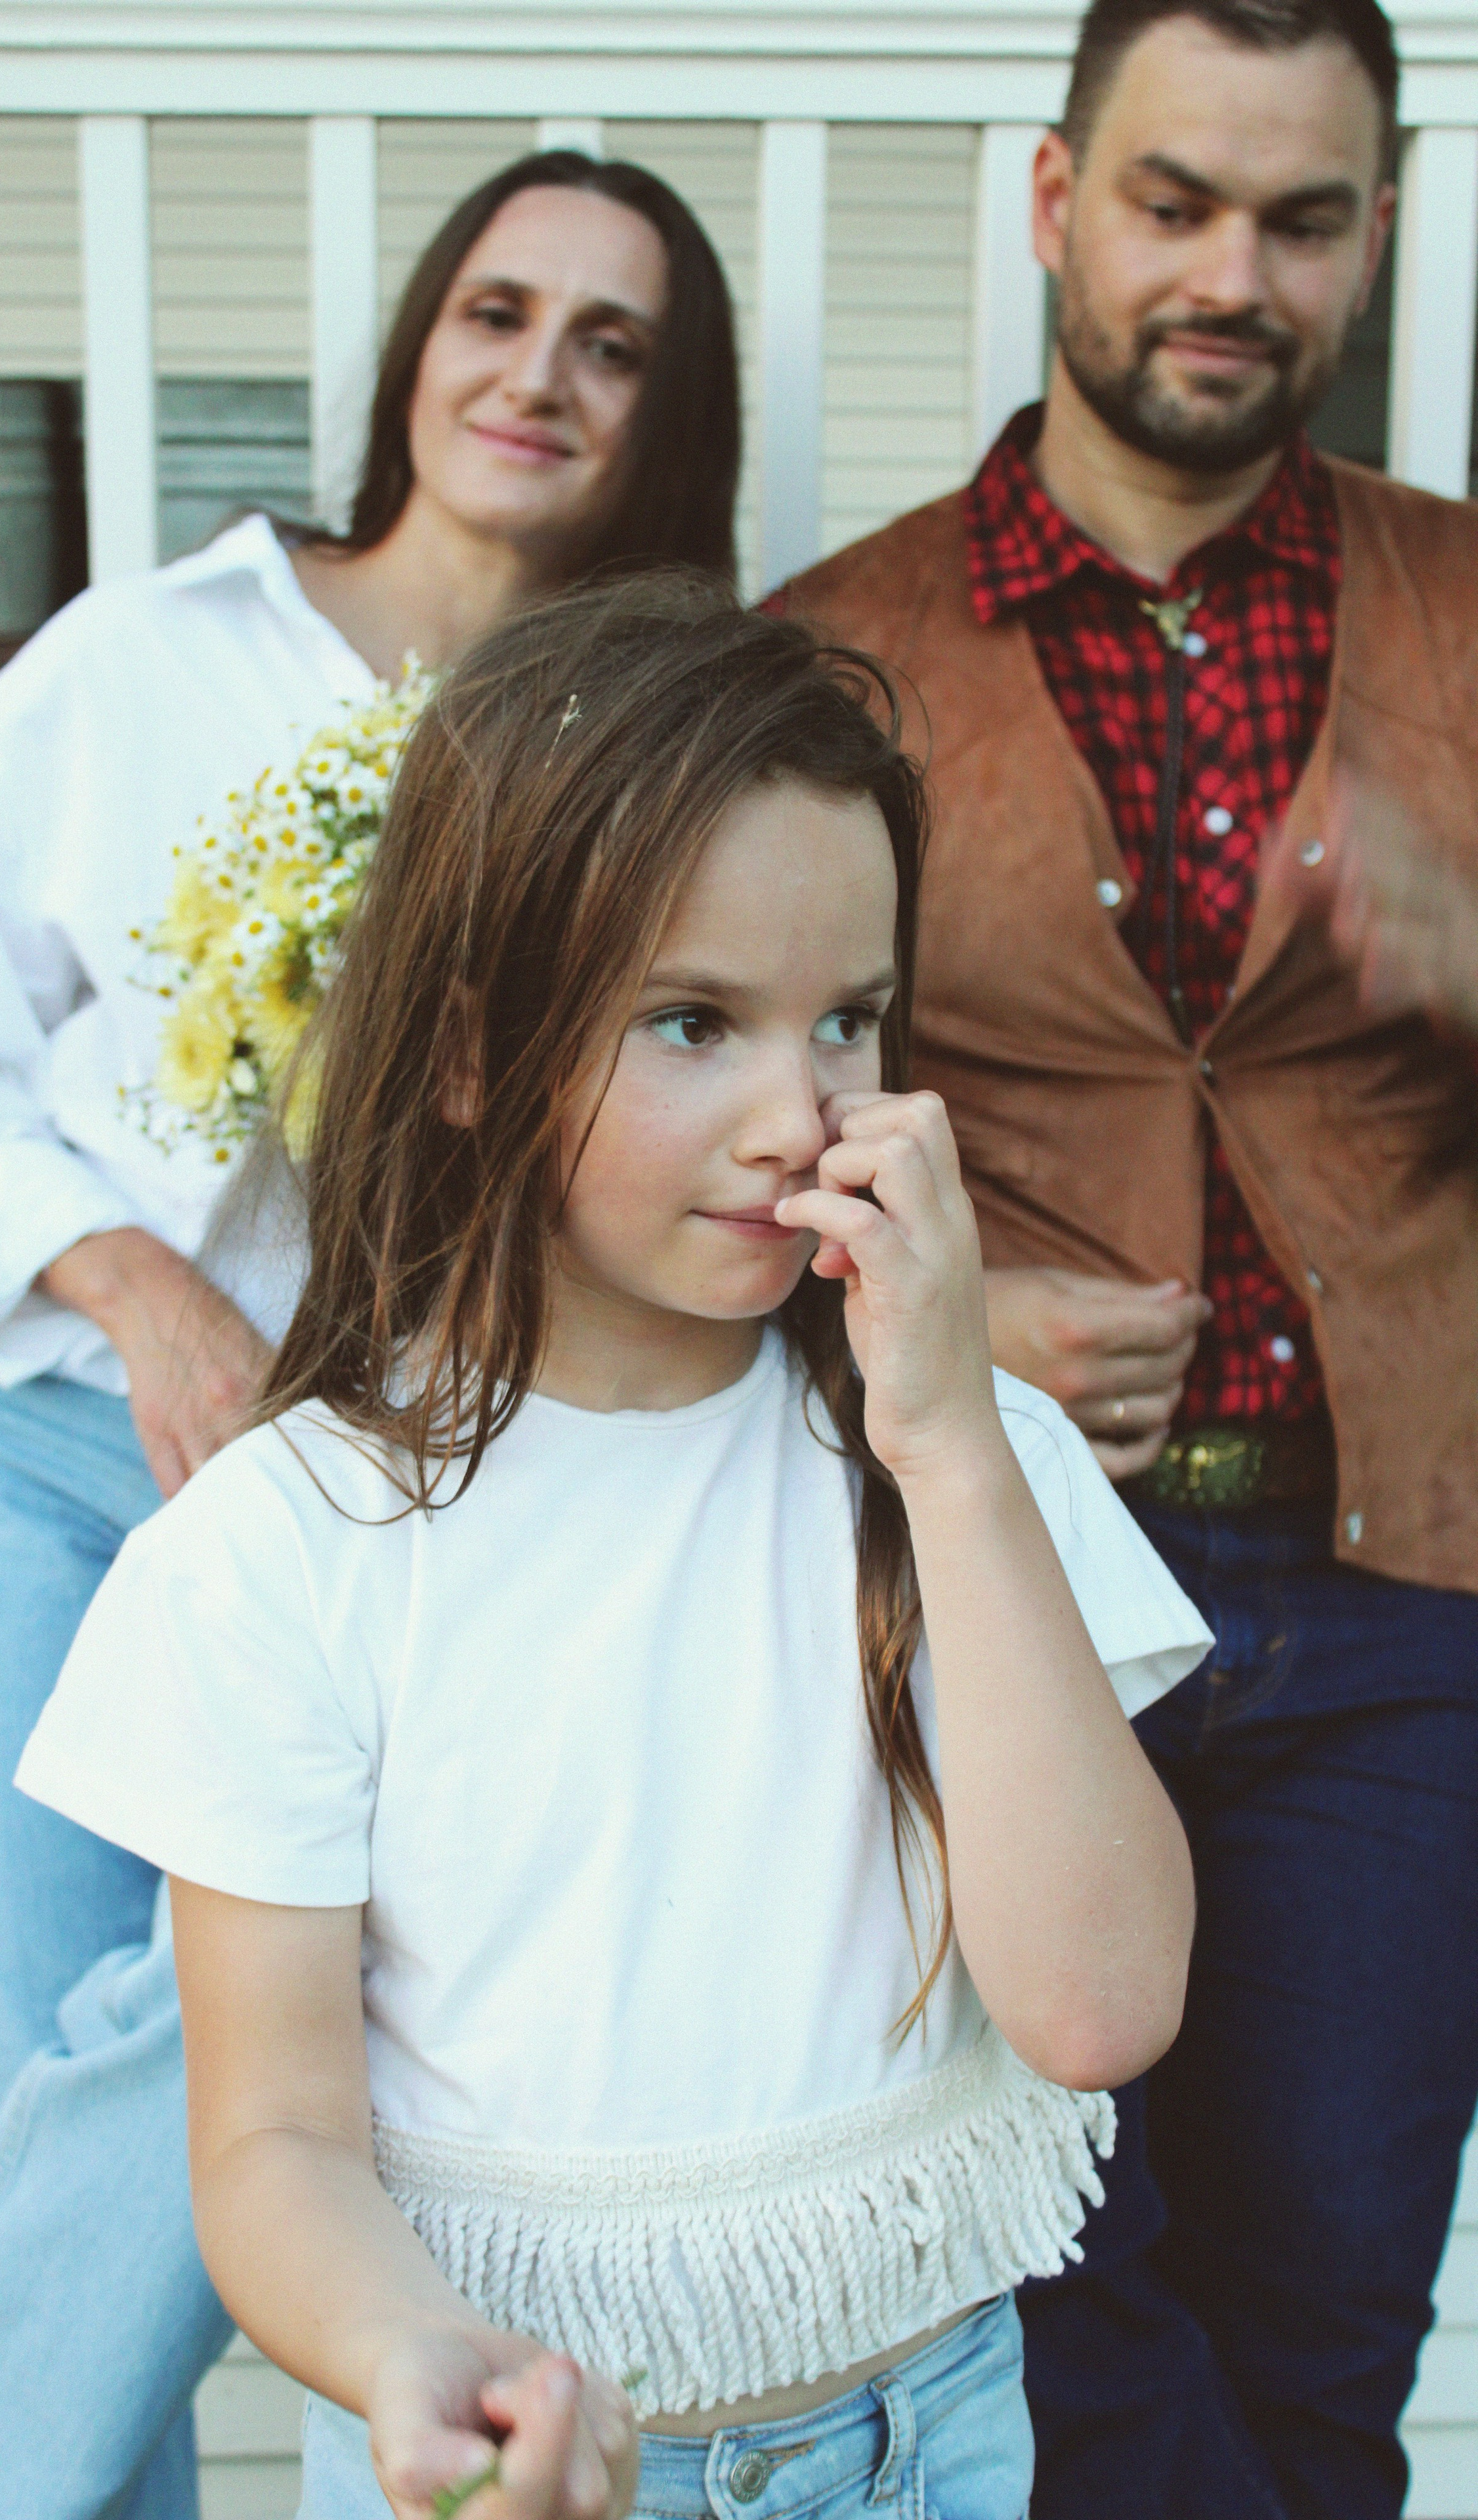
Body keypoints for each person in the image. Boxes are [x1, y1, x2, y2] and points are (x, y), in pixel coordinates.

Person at [14, 574, 1206, 2520]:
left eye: (848, 1019)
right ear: (478, 1054)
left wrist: (953, 1451)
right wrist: (414, 2356)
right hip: (524, 2473)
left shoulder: (968, 1470)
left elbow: (1097, 2015)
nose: (794, 1111)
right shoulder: (290, 1548)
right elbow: (276, 2137)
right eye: (690, 1023)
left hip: (931, 2442)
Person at [0, 152, 740, 2520]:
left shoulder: (637, 765)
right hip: (39, 1475)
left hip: (387, 1509)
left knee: (261, 2131)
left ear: (672, 419)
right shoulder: (143, 663)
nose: (537, 373)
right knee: (29, 2153)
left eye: (610, 343)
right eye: (498, 310)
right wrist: (135, 1286)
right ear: (419, 346)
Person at [772, 0, 1478, 2511]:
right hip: (992, 1591)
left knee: (1322, 2315)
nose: (1233, 273)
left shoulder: (1471, 608)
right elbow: (710, 1139)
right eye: (1177, 202)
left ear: (1375, 239)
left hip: (1409, 1604)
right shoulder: (827, 646)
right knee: (1026, 2299)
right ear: (1058, 202)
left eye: (1301, 219)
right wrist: (932, 1339)